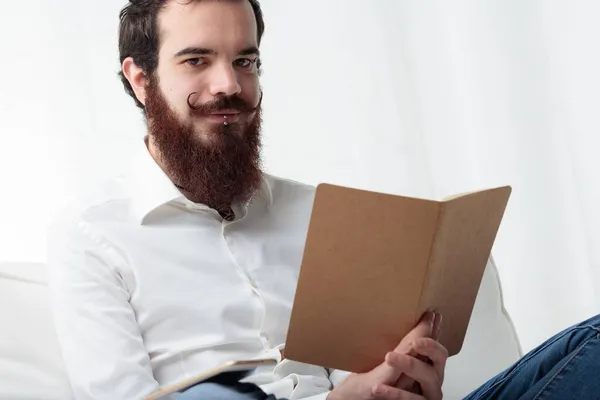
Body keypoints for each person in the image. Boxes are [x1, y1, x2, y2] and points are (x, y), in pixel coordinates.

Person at [47, 1, 600, 399]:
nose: (229, 86)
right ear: (140, 78)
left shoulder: (318, 211)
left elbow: (359, 377)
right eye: (196, 60)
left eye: (246, 60)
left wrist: (406, 379)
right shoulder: (92, 234)